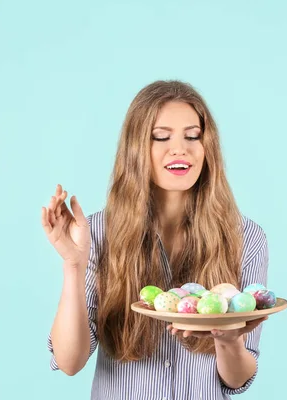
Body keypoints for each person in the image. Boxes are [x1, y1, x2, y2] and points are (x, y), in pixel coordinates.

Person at [41, 80, 269, 400]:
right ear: (136, 149)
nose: (180, 148)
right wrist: (72, 264)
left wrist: (228, 341)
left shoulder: (246, 238)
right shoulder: (97, 233)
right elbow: (69, 361)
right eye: (161, 137)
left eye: (193, 136)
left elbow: (238, 379)